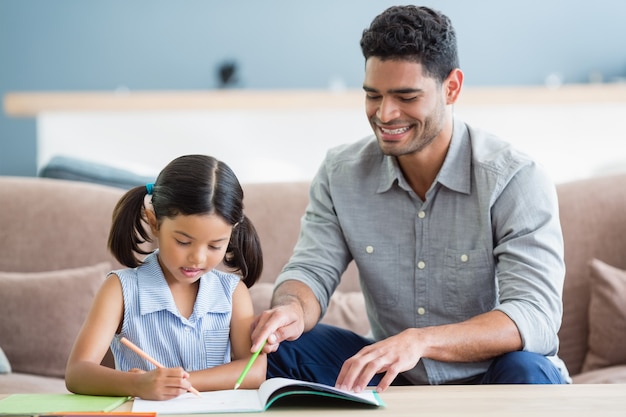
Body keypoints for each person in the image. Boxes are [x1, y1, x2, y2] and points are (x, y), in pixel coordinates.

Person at [251, 5, 568, 392]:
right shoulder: (340, 172)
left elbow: (534, 315)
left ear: (451, 87)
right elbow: (311, 271)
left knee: (526, 371)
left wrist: (421, 340)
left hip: (496, 374)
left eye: (406, 96)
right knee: (284, 349)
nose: (385, 114)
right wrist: (292, 309)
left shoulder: (515, 178)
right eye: (373, 96)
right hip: (397, 377)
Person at [66, 154, 266, 400]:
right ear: (155, 223)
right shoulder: (120, 289)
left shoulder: (233, 292)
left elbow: (255, 370)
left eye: (215, 246)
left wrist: (179, 382)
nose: (198, 259)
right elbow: (77, 373)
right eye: (183, 241)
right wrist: (138, 384)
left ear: (231, 233)